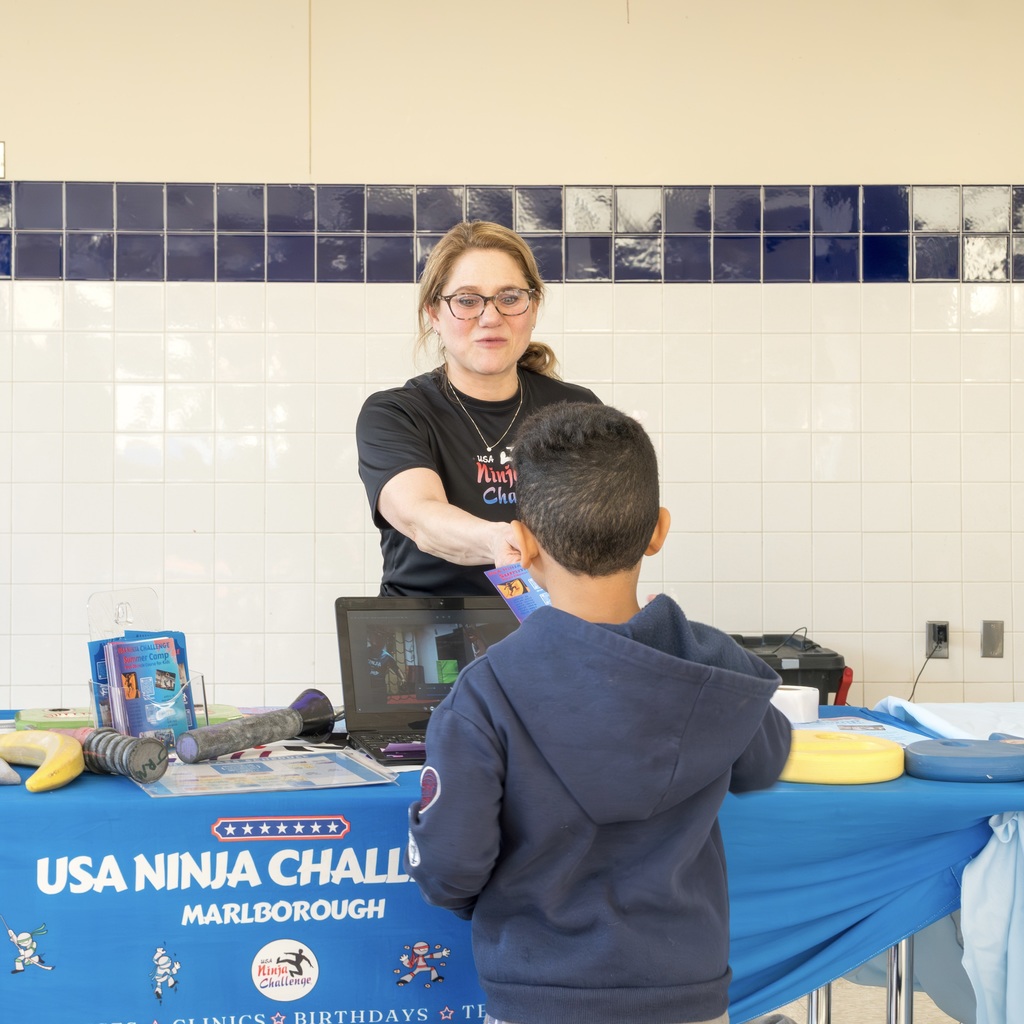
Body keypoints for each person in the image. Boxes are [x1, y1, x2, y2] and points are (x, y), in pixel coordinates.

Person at [405, 403, 793, 1024]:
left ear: (522, 544)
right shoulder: (717, 665)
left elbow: (449, 867)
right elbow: (765, 761)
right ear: (658, 531)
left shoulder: (484, 693)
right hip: (687, 990)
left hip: (537, 993)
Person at [357, 220, 601, 596]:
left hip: (546, 627)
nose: (491, 317)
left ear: (532, 308)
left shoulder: (578, 411)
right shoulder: (395, 414)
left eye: (510, 298)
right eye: (467, 301)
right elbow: (421, 516)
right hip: (427, 631)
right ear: (434, 314)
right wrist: (496, 540)